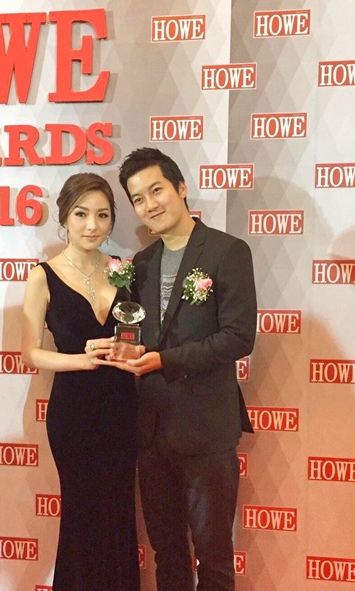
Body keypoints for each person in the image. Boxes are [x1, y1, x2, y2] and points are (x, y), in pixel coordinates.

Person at [109, 147, 257, 591]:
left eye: (156, 190)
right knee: (167, 553)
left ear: (180, 187)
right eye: (138, 199)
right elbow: (134, 332)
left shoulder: (228, 251)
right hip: (152, 432)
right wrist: (119, 349)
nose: (149, 205)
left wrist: (164, 360)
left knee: (213, 557)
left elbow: (238, 337)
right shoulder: (140, 264)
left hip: (205, 430)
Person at [21, 172, 141, 591]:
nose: (92, 225)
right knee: (82, 514)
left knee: (119, 513)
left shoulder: (125, 271)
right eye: (81, 214)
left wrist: (132, 353)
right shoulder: (43, 276)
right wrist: (82, 360)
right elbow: (30, 352)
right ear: (64, 218)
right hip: (73, 414)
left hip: (123, 409)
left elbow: (137, 335)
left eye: (102, 215)